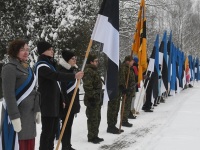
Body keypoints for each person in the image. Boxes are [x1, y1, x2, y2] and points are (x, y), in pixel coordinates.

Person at [34, 41, 84, 150]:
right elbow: (56, 76)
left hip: (54, 102)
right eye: (49, 49)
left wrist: (61, 99)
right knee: (47, 132)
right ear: (43, 51)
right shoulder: (41, 65)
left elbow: (57, 85)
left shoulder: (50, 64)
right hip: (47, 102)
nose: (52, 51)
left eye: (52, 49)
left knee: (52, 132)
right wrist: (74, 76)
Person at [0, 39, 41, 150]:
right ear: (15, 51)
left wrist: (37, 109)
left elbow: (35, 91)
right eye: (22, 49)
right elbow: (9, 95)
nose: (26, 52)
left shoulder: (28, 68)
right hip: (18, 117)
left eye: (27, 49)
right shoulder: (9, 68)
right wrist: (14, 117)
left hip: (29, 117)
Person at [58, 50, 81, 150]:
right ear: (67, 60)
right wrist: (66, 103)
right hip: (66, 103)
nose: (75, 60)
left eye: (75, 58)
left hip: (72, 102)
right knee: (65, 125)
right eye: (72, 58)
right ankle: (65, 146)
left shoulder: (72, 71)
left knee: (68, 125)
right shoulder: (63, 72)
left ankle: (68, 145)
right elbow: (62, 90)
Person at [82, 54, 104, 144]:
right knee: (92, 118)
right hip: (92, 98)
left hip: (97, 97)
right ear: (91, 62)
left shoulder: (94, 70)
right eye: (96, 61)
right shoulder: (88, 71)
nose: (97, 62)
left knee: (97, 118)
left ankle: (95, 135)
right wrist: (91, 98)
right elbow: (87, 86)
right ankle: (91, 136)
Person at [107, 60, 124, 134]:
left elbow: (120, 76)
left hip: (118, 89)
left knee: (116, 108)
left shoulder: (117, 61)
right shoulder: (111, 61)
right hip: (112, 89)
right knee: (112, 108)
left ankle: (113, 125)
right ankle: (110, 126)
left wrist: (122, 85)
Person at [121, 55, 136, 127]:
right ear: (128, 61)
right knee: (125, 105)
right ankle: (123, 120)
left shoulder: (130, 68)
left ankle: (125, 119)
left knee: (128, 105)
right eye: (132, 61)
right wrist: (124, 88)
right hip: (127, 90)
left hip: (130, 90)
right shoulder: (124, 68)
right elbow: (123, 79)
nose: (133, 62)